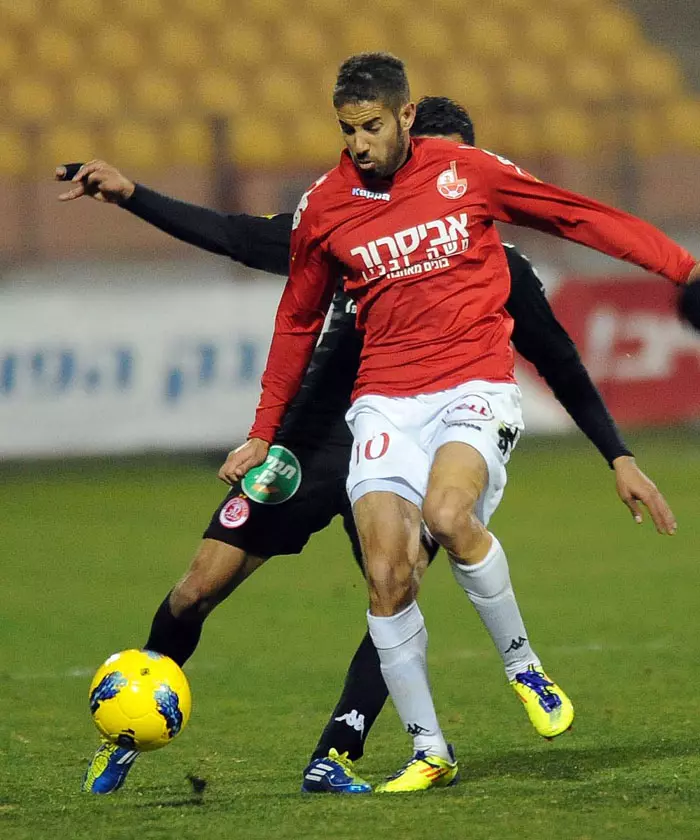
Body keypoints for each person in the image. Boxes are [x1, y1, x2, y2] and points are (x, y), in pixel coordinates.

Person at [61, 96, 679, 796]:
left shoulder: (500, 270)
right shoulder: (346, 219)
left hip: (425, 428)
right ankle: (127, 728)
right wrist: (134, 195)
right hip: (315, 435)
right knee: (198, 585)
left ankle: (339, 753)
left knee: (394, 586)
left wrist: (617, 455)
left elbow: (560, 363)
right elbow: (239, 236)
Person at [217, 54, 698, 793]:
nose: (359, 144)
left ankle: (523, 666)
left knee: (446, 513)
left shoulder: (465, 172)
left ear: (406, 116)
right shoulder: (326, 206)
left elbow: (576, 214)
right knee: (386, 572)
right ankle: (429, 750)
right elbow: (296, 321)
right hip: (383, 400)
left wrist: (679, 267)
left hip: (472, 385)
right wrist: (262, 428)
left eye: (372, 126)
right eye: (347, 130)